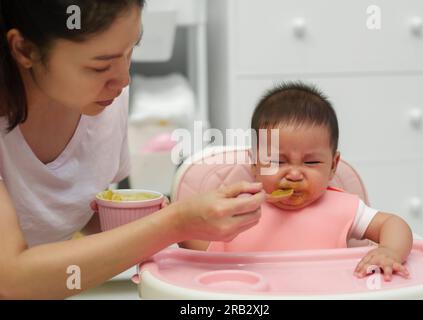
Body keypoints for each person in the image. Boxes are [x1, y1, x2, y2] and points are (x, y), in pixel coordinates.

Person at [0, 0, 265, 299]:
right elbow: (10, 279)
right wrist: (174, 223)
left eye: (131, 51)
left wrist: (191, 224)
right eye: (99, 65)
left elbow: (74, 211)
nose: (124, 80)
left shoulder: (104, 103)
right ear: (25, 50)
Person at [181, 82, 413, 282]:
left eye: (311, 163)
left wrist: (390, 251)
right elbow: (200, 245)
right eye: (278, 161)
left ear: (333, 165)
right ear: (255, 164)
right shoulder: (240, 207)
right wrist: (175, 222)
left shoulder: (344, 208)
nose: (293, 174)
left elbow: (393, 224)